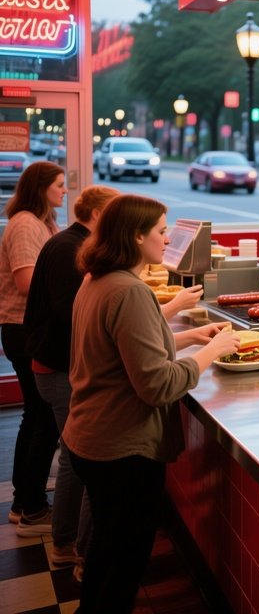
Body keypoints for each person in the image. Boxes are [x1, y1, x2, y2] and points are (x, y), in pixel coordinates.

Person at [62, 194, 240, 613]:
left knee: (105, 552)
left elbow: (120, 351)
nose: (167, 239)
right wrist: (213, 353)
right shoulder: (131, 291)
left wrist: (189, 338)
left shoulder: (97, 279)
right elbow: (156, 384)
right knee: (124, 563)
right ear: (137, 236)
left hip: (90, 438)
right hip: (121, 448)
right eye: (161, 231)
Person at [24, 185, 119, 565]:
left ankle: (66, 538)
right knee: (76, 458)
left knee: (72, 455)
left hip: (56, 365)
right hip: (57, 368)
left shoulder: (71, 241)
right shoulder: (70, 248)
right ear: (97, 215)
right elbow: (71, 312)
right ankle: (67, 545)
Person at [0, 161, 66, 533]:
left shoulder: (42, 221)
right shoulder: (26, 224)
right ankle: (32, 507)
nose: (64, 190)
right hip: (23, 331)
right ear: (40, 188)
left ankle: (23, 500)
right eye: (59, 184)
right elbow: (28, 282)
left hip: (28, 329)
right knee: (41, 417)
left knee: (36, 415)